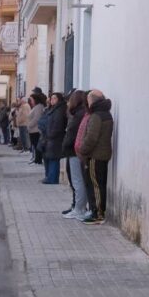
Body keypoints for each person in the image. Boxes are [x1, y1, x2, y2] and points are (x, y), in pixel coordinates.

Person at [77, 89, 113, 225]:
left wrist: (82, 150)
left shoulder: (97, 116)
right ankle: (98, 211)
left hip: (95, 155)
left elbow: (91, 137)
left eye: (88, 100)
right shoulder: (106, 114)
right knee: (100, 184)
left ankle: (97, 213)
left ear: (92, 101)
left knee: (95, 185)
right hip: (103, 154)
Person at [62, 90, 89, 220]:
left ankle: (79, 209)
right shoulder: (79, 113)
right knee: (77, 180)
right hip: (74, 151)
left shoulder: (79, 115)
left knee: (77, 181)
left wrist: (66, 144)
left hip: (74, 151)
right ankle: (78, 207)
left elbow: (72, 134)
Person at [42, 92, 67, 184]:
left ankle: (52, 179)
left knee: (54, 158)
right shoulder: (53, 109)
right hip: (51, 138)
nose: (52, 100)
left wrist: (50, 135)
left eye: (54, 98)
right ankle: (51, 177)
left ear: (59, 99)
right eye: (51, 98)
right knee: (51, 157)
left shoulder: (59, 110)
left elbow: (57, 125)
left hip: (55, 138)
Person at [27, 94, 44, 163]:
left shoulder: (39, 107)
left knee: (37, 145)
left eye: (31, 99)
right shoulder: (35, 107)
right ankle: (35, 159)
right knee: (34, 145)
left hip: (36, 130)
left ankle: (38, 160)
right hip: (32, 130)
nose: (31, 101)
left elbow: (37, 118)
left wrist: (29, 125)